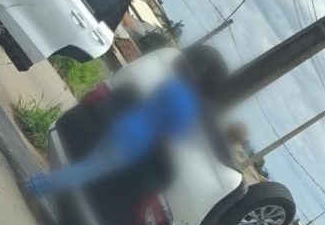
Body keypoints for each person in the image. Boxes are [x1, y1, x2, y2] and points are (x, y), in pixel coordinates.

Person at [24, 78, 202, 198]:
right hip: (134, 143)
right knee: (85, 172)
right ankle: (37, 188)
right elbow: (167, 138)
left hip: (125, 124)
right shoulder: (189, 112)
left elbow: (149, 99)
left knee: (84, 164)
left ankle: (35, 181)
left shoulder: (174, 87)